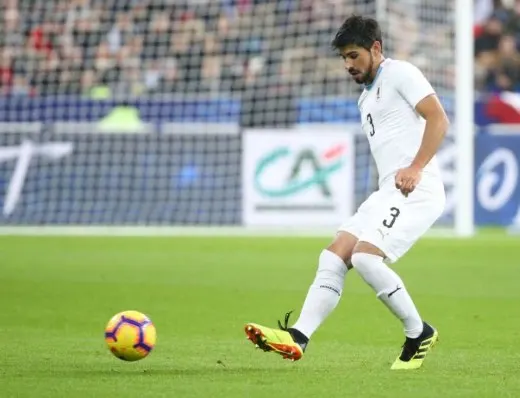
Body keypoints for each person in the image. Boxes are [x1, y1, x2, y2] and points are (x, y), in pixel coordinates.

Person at [244, 14, 449, 371]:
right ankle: (298, 337)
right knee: (333, 256)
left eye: (353, 55)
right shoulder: (364, 100)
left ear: (376, 49)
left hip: (419, 188)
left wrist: (415, 168)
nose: (347, 65)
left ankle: (419, 332)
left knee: (366, 258)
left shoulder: (400, 73)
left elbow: (438, 118)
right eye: (343, 58)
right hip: (390, 190)